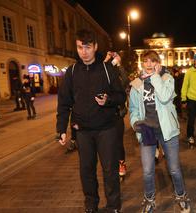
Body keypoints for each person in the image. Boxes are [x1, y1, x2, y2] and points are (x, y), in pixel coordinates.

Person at [56, 29, 126, 213]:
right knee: (86, 171)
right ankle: (91, 205)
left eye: (87, 47)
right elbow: (64, 103)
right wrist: (61, 129)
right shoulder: (71, 72)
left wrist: (108, 100)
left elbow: (120, 96)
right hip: (83, 131)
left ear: (95, 47)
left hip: (107, 129)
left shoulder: (107, 69)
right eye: (80, 47)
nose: (83, 51)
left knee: (110, 170)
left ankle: (113, 207)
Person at [129, 50, 191, 213]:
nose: (149, 64)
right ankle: (149, 199)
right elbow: (134, 109)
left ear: (158, 63)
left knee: (174, 168)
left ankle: (181, 195)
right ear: (143, 63)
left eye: (153, 61)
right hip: (147, 130)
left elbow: (164, 97)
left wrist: (155, 77)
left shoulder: (166, 78)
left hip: (167, 130)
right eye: (146, 61)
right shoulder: (136, 83)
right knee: (148, 170)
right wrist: (135, 122)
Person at [104, 50, 129, 180]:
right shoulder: (104, 72)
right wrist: (105, 59)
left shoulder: (119, 75)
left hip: (117, 114)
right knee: (107, 143)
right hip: (104, 115)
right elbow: (97, 75)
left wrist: (119, 64)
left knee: (118, 142)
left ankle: (121, 164)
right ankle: (110, 165)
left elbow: (125, 81)